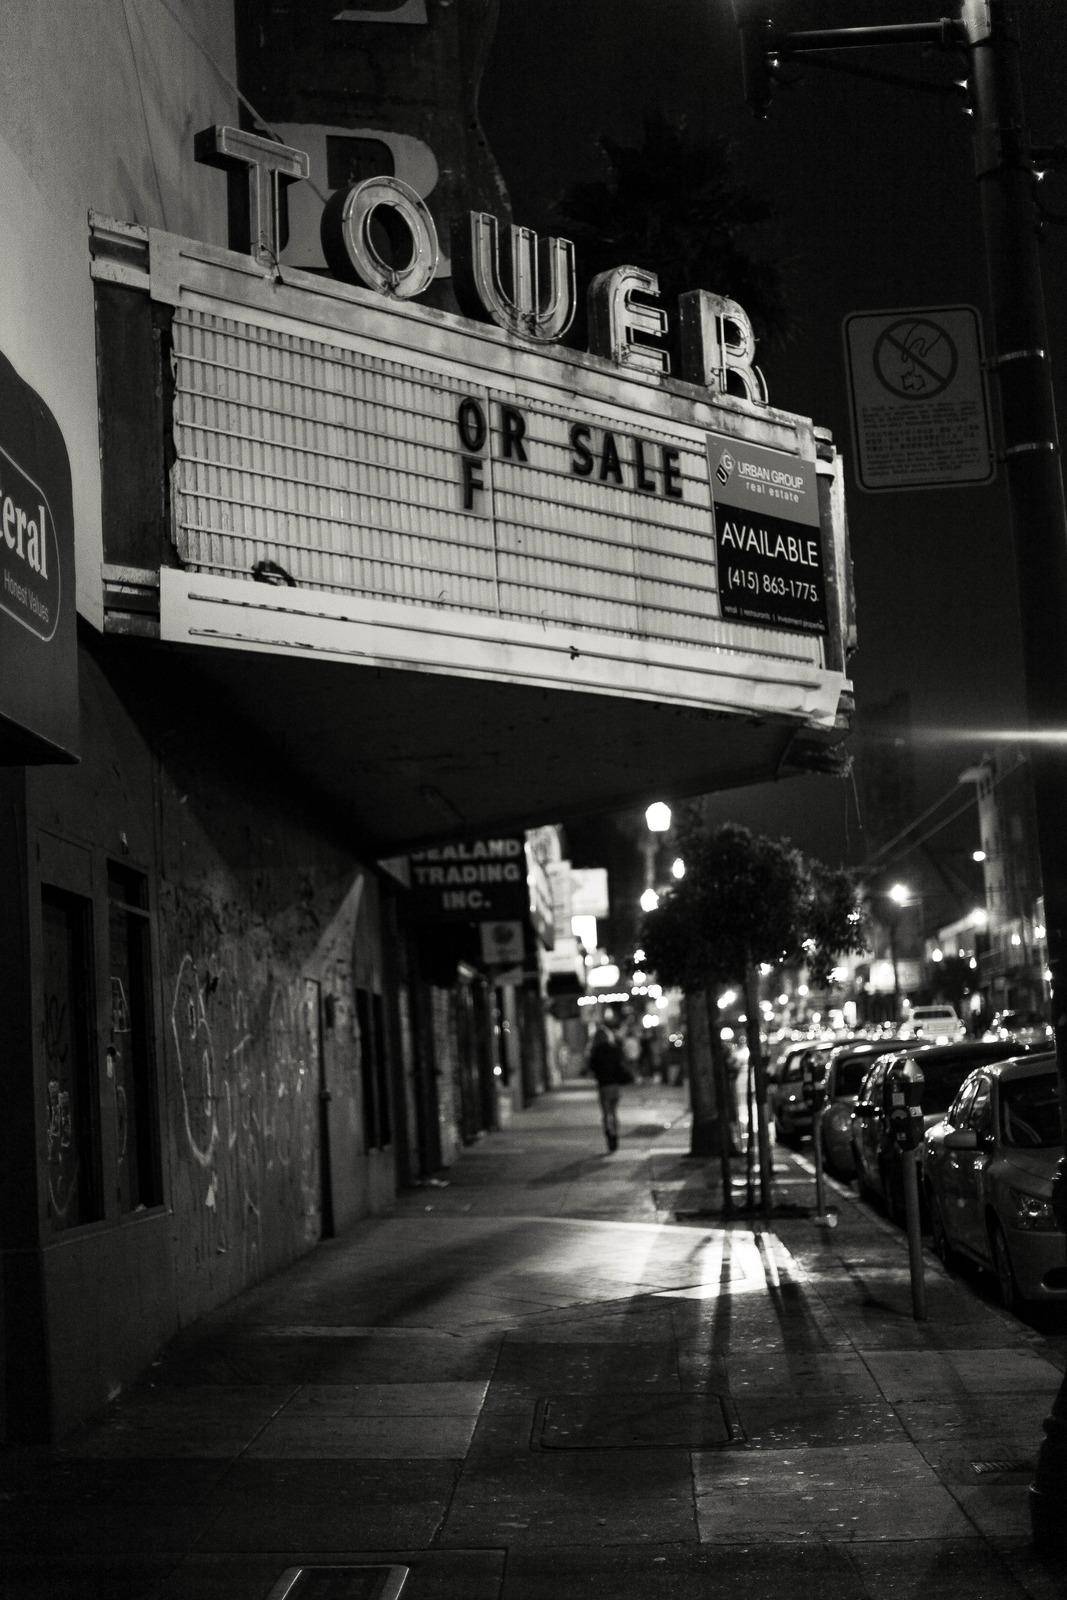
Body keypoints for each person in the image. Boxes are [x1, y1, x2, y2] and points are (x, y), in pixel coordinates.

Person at [586, 1025, 630, 1152]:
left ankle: (609, 1133)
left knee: (606, 1113)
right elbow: (621, 1065)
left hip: (604, 1086)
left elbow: (591, 1068)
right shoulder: (614, 1049)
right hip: (615, 1085)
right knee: (614, 1112)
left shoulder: (595, 1052)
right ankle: (615, 1134)